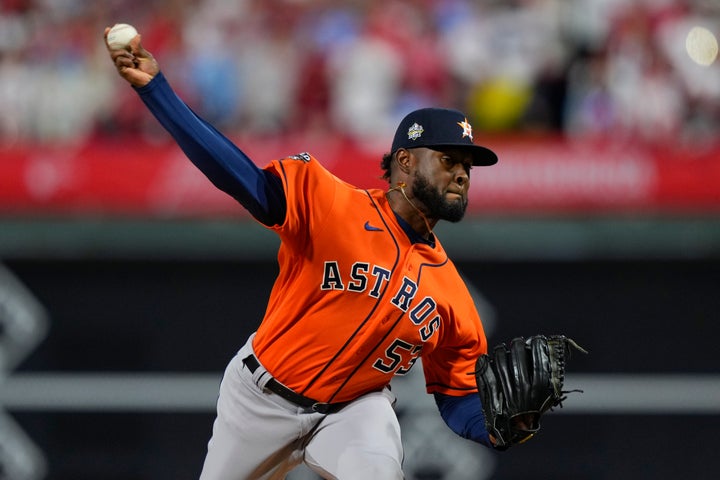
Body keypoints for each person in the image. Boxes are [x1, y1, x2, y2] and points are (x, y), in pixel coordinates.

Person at [105, 27, 500, 480]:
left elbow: (457, 396)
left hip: (354, 412)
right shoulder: (330, 203)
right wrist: (159, 93)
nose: (462, 175)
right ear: (405, 162)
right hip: (259, 399)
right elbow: (240, 178)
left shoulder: (453, 298)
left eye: (467, 167)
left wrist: (495, 427)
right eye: (448, 160)